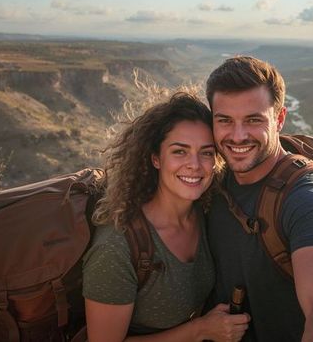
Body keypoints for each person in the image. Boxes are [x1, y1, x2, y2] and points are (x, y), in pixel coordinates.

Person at [205, 56, 313, 341]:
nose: (238, 136)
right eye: (225, 120)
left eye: (253, 120)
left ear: (279, 119)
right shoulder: (210, 184)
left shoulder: (306, 197)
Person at [82, 92, 250, 342]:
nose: (195, 164)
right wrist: (200, 330)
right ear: (156, 158)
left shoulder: (204, 212)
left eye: (206, 153)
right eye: (180, 152)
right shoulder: (117, 248)